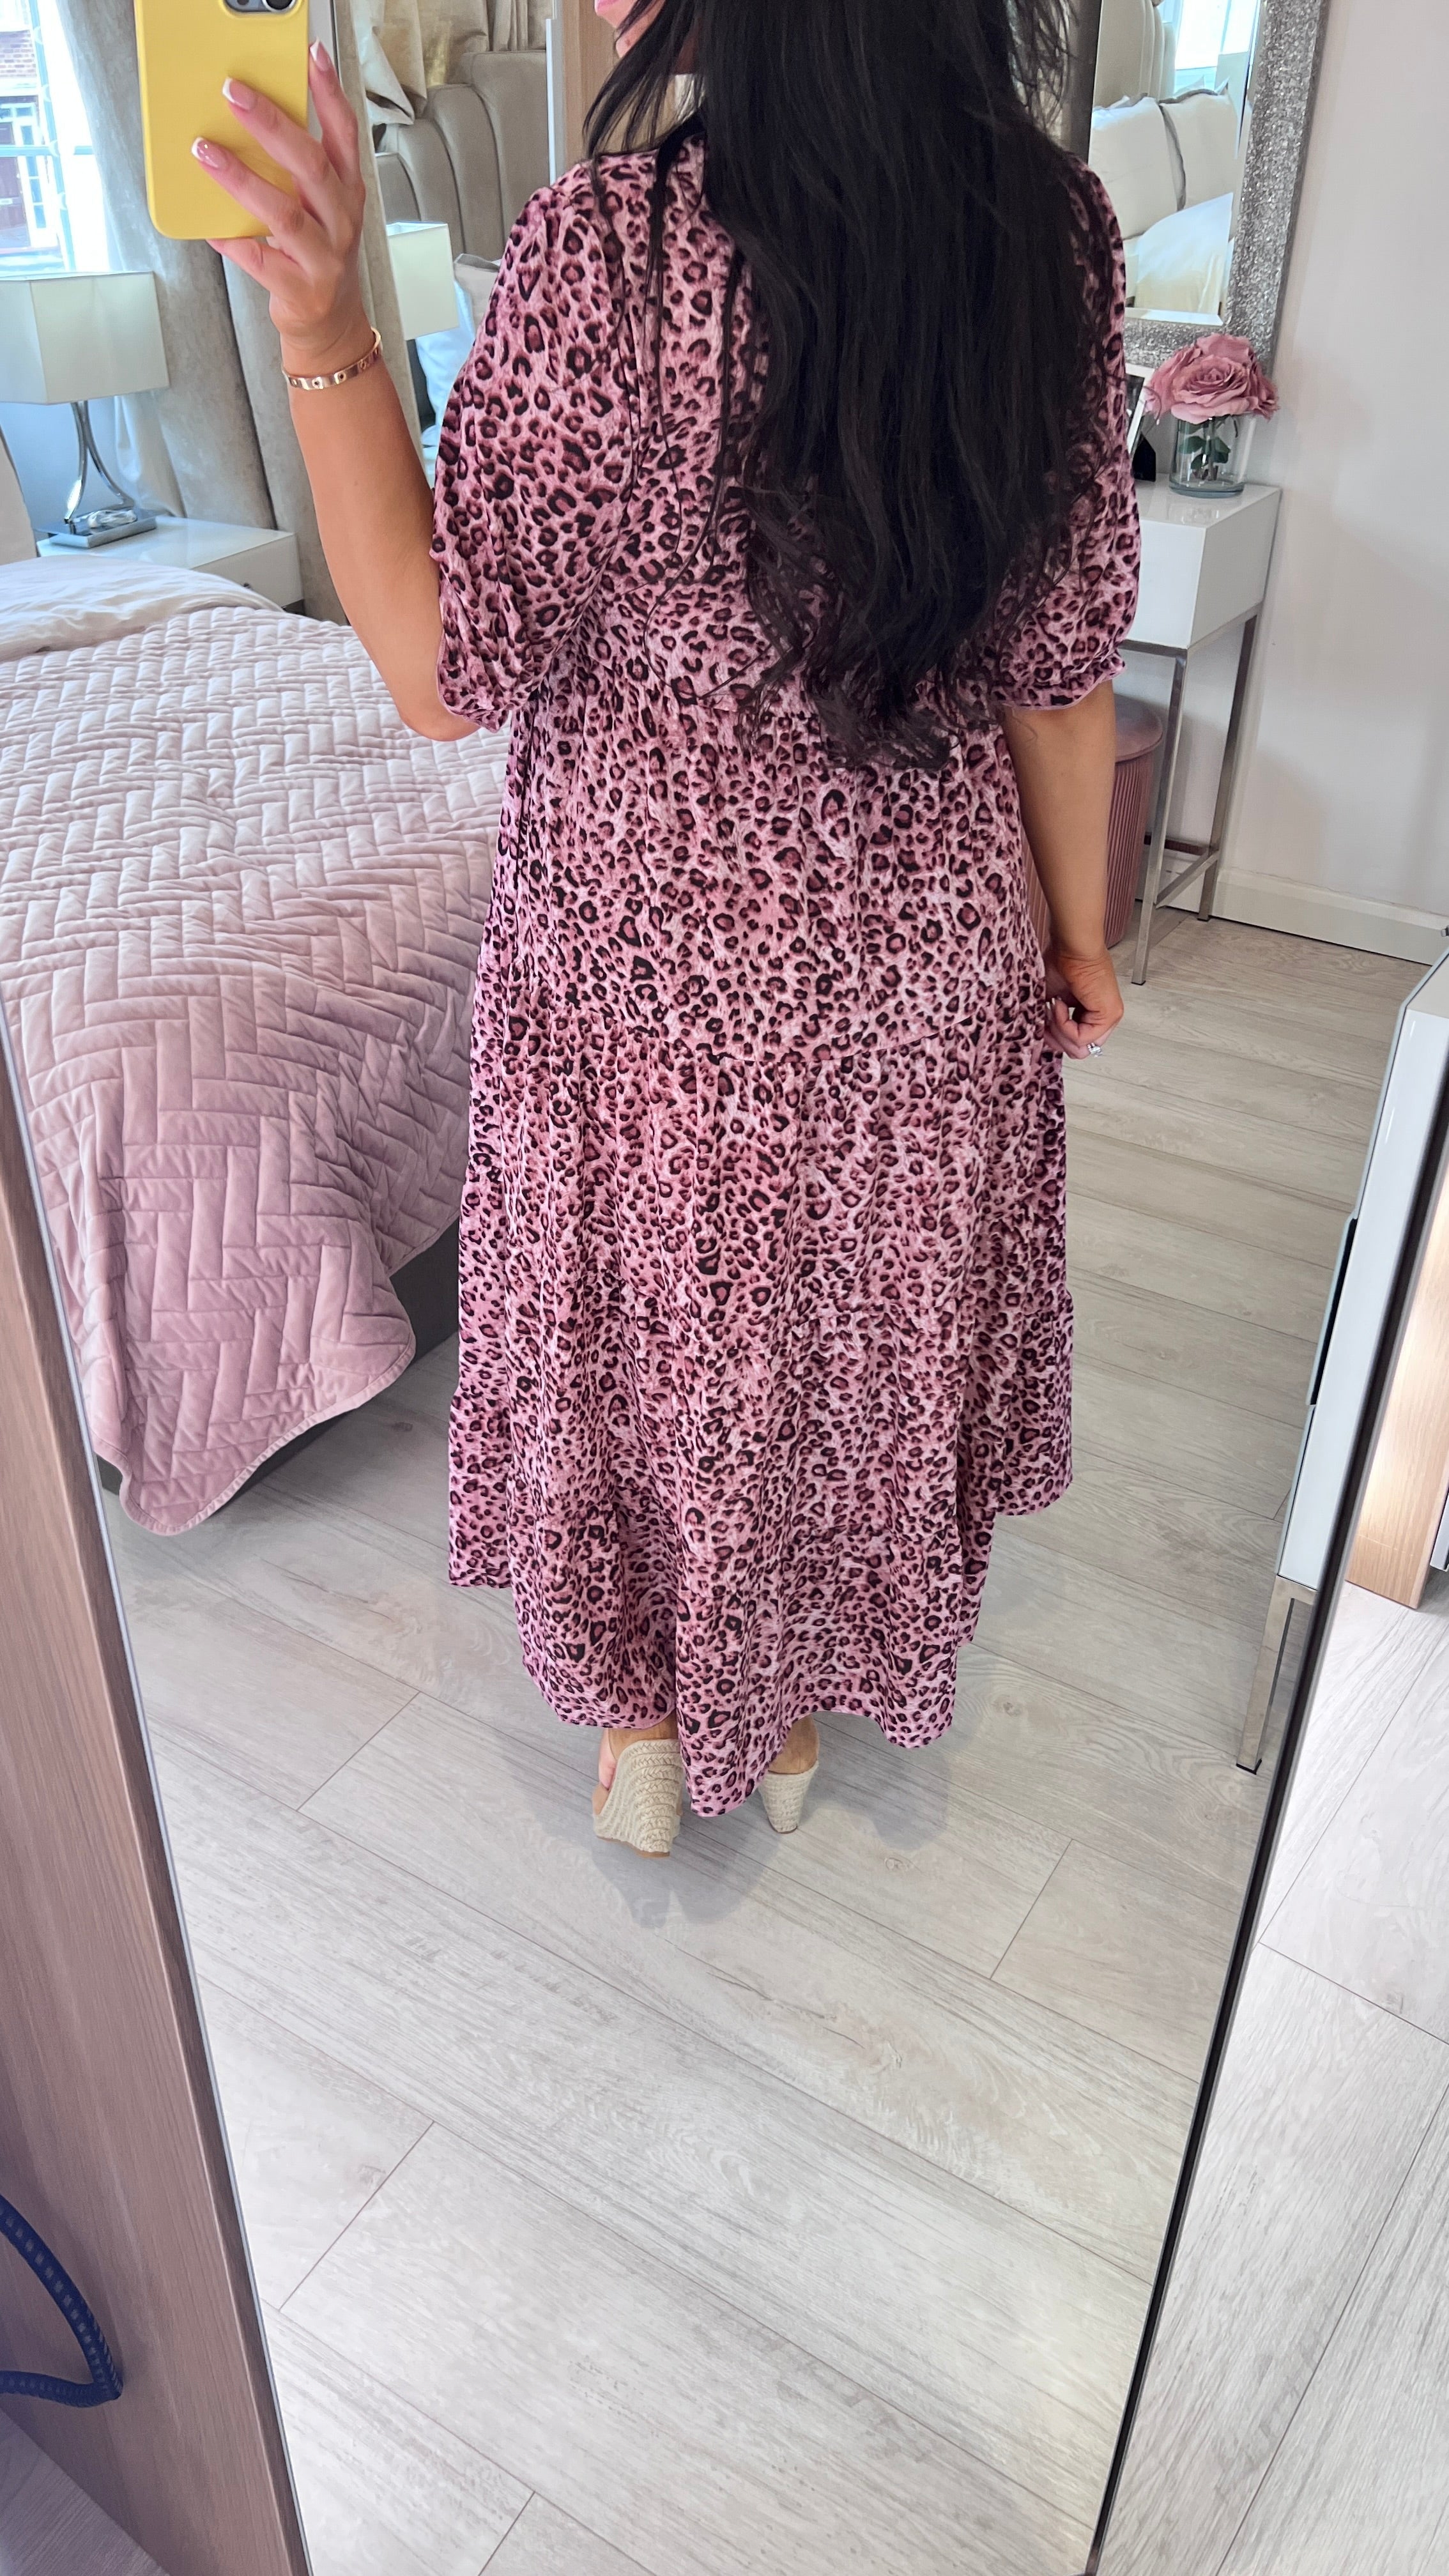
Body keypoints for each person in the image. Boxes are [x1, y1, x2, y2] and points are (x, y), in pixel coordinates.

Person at [198, 0, 1138, 1858]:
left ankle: (650, 1715)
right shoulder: (1054, 235)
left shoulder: (608, 252)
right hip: (916, 951)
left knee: (654, 1344)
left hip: (644, 961)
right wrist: (1082, 930)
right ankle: (783, 1709)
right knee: (847, 1335)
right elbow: (1059, 654)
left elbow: (447, 669)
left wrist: (321, 332)